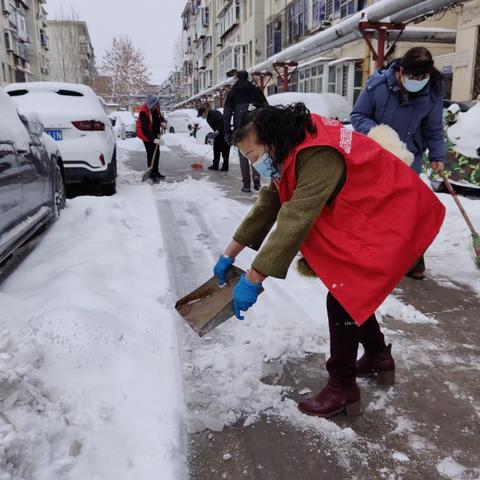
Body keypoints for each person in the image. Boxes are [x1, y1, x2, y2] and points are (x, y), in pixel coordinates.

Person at [213, 104, 445, 418]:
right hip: (371, 211)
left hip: (394, 213)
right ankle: (378, 356)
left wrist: (253, 279)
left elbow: (296, 218)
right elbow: (271, 200)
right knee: (352, 293)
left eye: (253, 156)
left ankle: (342, 387)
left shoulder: (317, 154)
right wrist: (229, 253)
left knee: (343, 297)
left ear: (269, 140)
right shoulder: (287, 146)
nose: (254, 165)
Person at [350, 47, 446, 280]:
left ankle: (412, 261)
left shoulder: (431, 90)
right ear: (401, 72)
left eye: (423, 78)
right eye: (414, 77)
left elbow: (433, 128)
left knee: (408, 210)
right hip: (379, 155)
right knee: (376, 207)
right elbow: (358, 116)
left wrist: (437, 157)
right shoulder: (378, 85)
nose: (418, 82)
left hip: (409, 157)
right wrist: (380, 135)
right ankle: (371, 258)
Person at [223, 70, 268, 192]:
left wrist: (227, 132)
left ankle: (247, 184)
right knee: (257, 153)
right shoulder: (256, 89)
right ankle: (257, 177)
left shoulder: (233, 91)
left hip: (240, 128)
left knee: (244, 155)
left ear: (237, 78)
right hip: (256, 127)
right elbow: (266, 107)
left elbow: (227, 113)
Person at [136, 95, 167, 182]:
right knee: (151, 153)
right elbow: (145, 129)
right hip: (146, 135)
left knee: (157, 153)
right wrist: (153, 139)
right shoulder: (144, 112)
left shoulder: (155, 109)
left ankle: (155, 171)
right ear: (151, 104)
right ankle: (151, 174)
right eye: (155, 104)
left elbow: (159, 118)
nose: (157, 106)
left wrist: (162, 123)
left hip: (154, 133)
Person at [197, 106, 230, 171]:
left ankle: (225, 166)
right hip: (218, 134)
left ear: (205, 112)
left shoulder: (215, 113)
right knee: (216, 149)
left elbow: (223, 121)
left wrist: (218, 130)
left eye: (201, 115)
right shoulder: (208, 118)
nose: (201, 117)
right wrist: (213, 134)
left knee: (225, 150)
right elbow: (215, 126)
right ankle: (215, 165)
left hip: (224, 133)